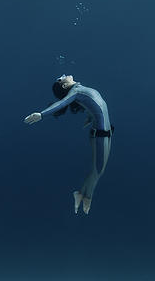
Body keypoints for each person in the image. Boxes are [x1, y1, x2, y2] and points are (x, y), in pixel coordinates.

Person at [24, 74, 112, 215]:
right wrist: (42, 114)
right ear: (65, 85)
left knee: (98, 171)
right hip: (100, 136)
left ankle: (81, 194)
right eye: (60, 79)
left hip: (105, 134)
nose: (63, 75)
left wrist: (91, 115)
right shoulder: (75, 92)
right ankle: (86, 197)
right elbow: (62, 103)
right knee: (98, 171)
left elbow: (97, 103)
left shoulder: (80, 89)